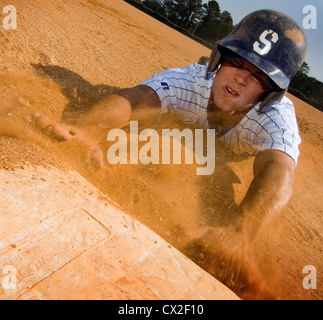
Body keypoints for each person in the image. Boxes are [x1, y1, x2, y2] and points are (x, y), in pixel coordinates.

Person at [27, 10, 307, 257]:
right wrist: (90, 129)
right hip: (185, 129)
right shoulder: (191, 80)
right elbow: (136, 99)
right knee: (151, 131)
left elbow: (278, 169)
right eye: (237, 63)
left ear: (270, 94)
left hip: (230, 152)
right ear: (218, 58)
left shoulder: (275, 117)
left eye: (258, 76)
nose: (241, 79)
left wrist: (240, 234)